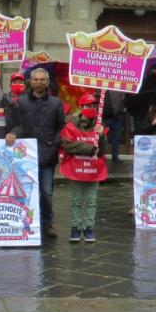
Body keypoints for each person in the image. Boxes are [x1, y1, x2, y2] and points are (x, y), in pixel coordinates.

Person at [6, 68, 65, 239]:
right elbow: (18, 124)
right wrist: (14, 134)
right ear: (30, 82)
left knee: (46, 192)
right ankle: (26, 223)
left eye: (42, 80)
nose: (38, 82)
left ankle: (47, 223)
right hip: (26, 155)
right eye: (35, 79)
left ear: (47, 82)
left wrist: (54, 143)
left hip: (48, 154)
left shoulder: (55, 103)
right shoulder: (22, 102)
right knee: (24, 191)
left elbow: (62, 126)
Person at [60, 94, 107, 243]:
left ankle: (88, 228)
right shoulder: (71, 125)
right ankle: (75, 228)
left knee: (91, 200)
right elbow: (68, 145)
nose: (91, 109)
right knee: (76, 200)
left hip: (93, 170)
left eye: (93, 106)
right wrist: (90, 149)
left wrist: (102, 136)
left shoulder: (100, 125)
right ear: (80, 108)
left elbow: (101, 151)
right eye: (87, 106)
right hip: (77, 169)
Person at [101, 90, 125, 162]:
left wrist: (122, 110)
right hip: (103, 118)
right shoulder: (100, 88)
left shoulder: (118, 89)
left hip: (116, 118)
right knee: (102, 138)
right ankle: (102, 156)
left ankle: (115, 157)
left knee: (116, 138)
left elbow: (122, 101)